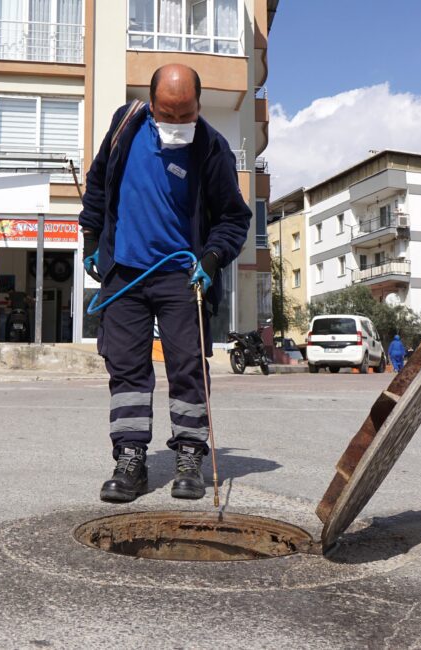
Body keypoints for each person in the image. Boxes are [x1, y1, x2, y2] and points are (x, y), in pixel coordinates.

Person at [79, 63, 252, 503]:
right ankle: (130, 459)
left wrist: (211, 261)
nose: (176, 123)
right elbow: (98, 186)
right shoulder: (125, 126)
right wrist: (93, 240)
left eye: (185, 114)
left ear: (198, 104)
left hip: (182, 277)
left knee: (188, 368)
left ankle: (190, 458)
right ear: (152, 103)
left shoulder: (213, 149)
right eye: (167, 113)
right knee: (127, 368)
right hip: (126, 274)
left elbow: (234, 219)